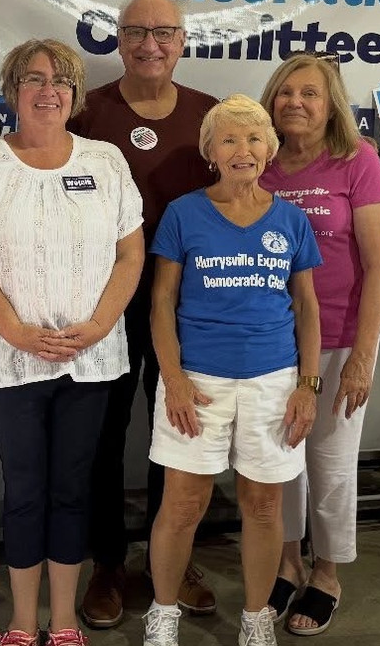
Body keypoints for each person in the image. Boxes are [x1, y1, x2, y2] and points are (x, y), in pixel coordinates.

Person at [0, 38, 144, 646]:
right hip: (13, 359)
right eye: (32, 79)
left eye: (60, 80)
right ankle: (23, 622)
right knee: (25, 491)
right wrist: (16, 331)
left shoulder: (106, 162)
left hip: (91, 360)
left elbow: (130, 253)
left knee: (71, 488)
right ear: (12, 92)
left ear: (76, 95)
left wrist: (103, 322)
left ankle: (62, 621)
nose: (47, 89)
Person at [142, 93, 323, 646]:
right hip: (198, 382)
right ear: (211, 152)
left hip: (273, 383)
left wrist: (308, 386)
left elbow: (308, 309)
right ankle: (164, 612)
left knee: (264, 506)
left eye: (252, 139)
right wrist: (172, 378)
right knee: (183, 505)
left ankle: (255, 618)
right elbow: (161, 303)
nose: (241, 150)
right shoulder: (184, 213)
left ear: (268, 150)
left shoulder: (291, 220)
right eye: (228, 139)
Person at [67, 0, 220, 629]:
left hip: (190, 308)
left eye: (163, 32)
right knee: (103, 434)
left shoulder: (210, 116)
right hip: (105, 303)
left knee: (178, 433)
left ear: (183, 41)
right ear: (118, 38)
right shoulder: (86, 112)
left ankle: (173, 555)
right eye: (136, 31)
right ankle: (107, 562)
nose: (149, 44)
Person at [257, 53, 380, 636]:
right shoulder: (259, 163)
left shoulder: (357, 163)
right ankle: (286, 562)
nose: (295, 103)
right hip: (269, 345)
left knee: (331, 465)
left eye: (309, 93)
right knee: (278, 462)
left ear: (330, 102)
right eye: (286, 92)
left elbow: (379, 268)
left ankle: (327, 573)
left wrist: (363, 356)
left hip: (340, 340)